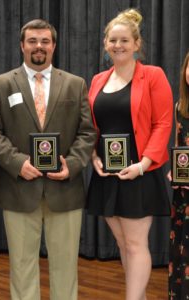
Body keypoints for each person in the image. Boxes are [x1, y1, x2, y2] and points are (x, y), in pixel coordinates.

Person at [0, 19, 96, 300]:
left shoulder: (75, 84)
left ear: (54, 46)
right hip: (18, 188)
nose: (39, 46)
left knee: (66, 266)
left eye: (45, 41)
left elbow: (87, 132)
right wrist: (18, 162)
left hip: (65, 189)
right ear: (22, 45)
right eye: (32, 41)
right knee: (21, 266)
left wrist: (72, 164)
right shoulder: (1, 84)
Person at [86, 9, 173, 300]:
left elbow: (163, 123)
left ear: (137, 44)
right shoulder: (98, 80)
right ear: (105, 43)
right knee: (123, 244)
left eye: (124, 40)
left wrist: (144, 164)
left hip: (140, 172)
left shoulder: (153, 75)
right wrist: (93, 157)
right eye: (113, 40)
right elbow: (91, 127)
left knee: (136, 244)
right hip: (108, 174)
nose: (118, 45)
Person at [168, 51, 189, 299]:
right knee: (182, 250)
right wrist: (175, 170)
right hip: (183, 192)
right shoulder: (180, 107)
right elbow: (178, 146)